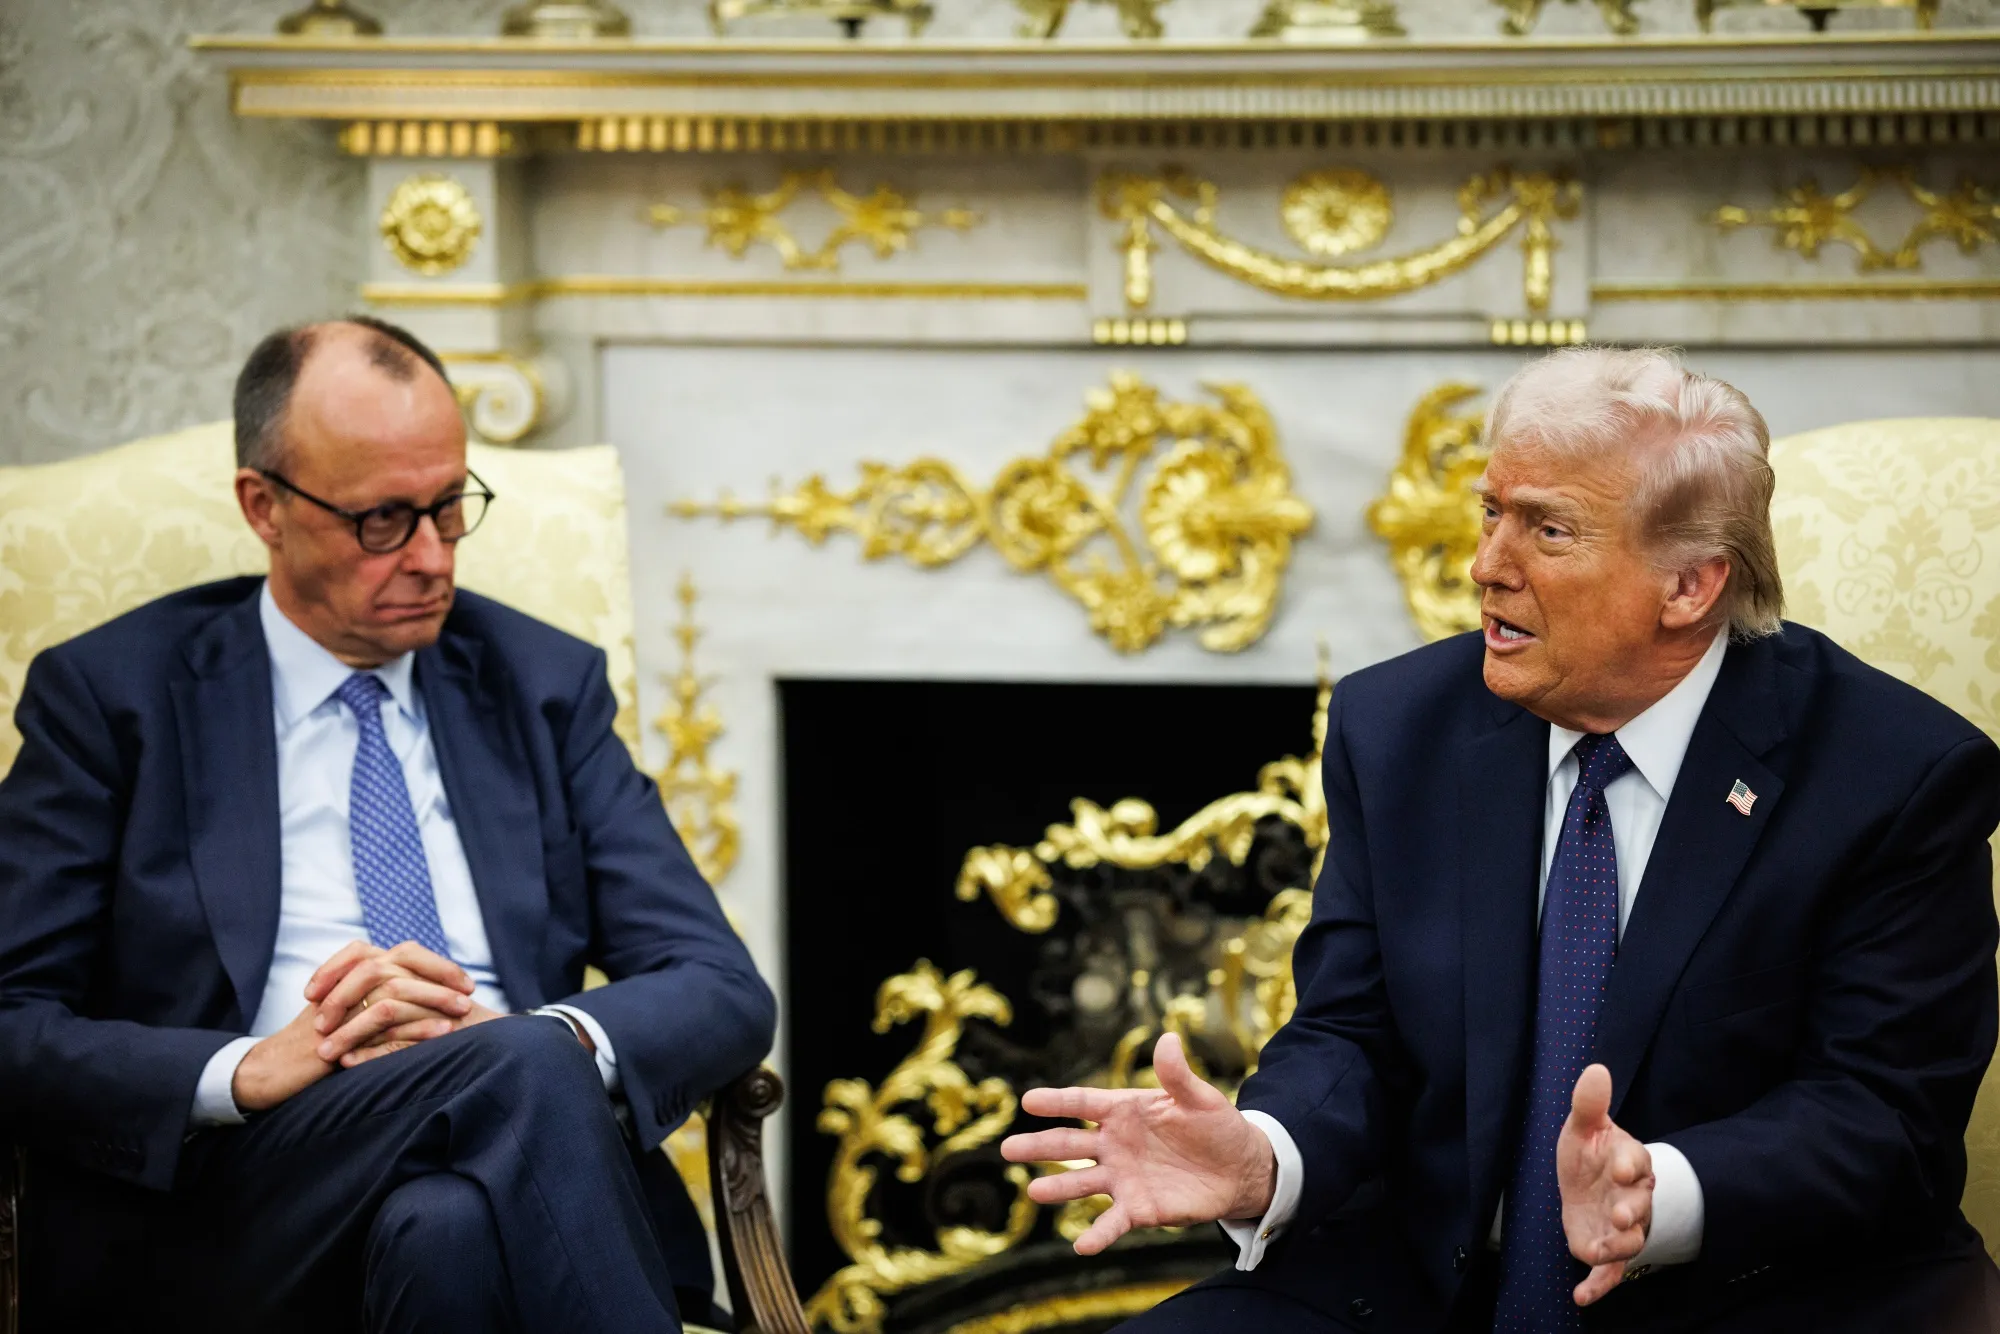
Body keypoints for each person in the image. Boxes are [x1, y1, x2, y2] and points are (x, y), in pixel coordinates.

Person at [1003, 346, 2000, 1332]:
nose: (1484, 566)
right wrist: (1265, 1151)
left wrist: (1660, 1190)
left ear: (1689, 586)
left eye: (1547, 530)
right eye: (1490, 512)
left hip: (1753, 1284)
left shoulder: (1893, 776)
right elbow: (1351, 1031)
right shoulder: (1396, 727)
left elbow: (1882, 1114)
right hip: (1419, 1276)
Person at [0, 317, 776, 1333]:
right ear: (263, 506)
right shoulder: (116, 697)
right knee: (525, 1074)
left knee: (449, 1222)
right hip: (229, 1204)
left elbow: (719, 985)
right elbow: (12, 1015)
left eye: (451, 507)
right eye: (382, 520)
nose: (431, 556)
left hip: (505, 1177)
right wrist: (243, 1068)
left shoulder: (541, 684)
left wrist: (525, 1041)